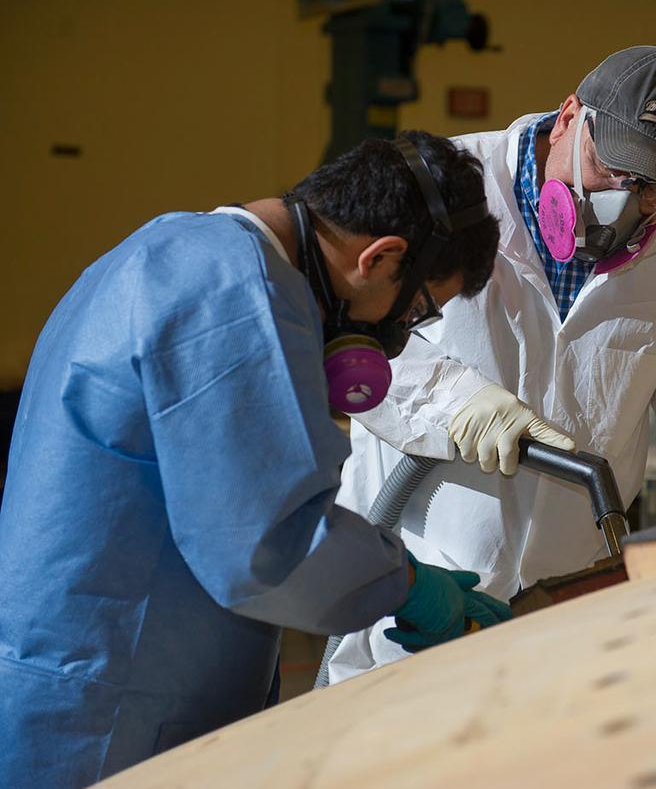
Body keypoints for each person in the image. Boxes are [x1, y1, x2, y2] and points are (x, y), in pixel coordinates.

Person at [0, 131, 505, 786]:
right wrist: (407, 586)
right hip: (110, 719)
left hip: (65, 683)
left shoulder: (165, 250)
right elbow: (272, 546)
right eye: (415, 307)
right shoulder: (238, 298)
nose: (401, 330)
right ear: (381, 257)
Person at [328, 46, 656, 681]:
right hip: (419, 583)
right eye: (611, 168)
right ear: (571, 116)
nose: (624, 203)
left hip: (570, 600)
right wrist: (452, 401)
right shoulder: (444, 189)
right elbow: (349, 342)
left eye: (651, 187)